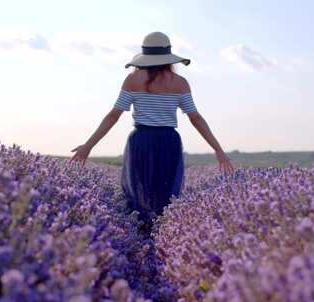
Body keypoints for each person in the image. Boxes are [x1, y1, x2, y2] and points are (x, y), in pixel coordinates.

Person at [70, 31, 234, 230]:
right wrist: (218, 150)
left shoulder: (132, 80)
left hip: (141, 140)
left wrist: (88, 146)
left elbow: (113, 116)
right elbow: (196, 118)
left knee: (139, 192)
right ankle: (165, 236)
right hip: (169, 141)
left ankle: (140, 237)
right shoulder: (180, 83)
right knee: (166, 194)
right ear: (168, 57)